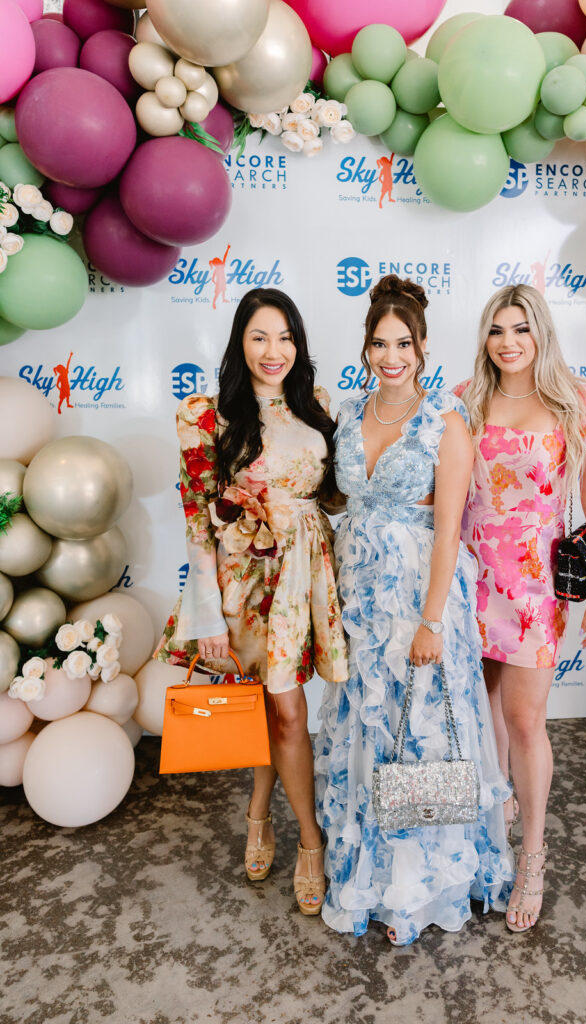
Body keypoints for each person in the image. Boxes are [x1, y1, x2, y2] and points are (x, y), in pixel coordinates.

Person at [315, 275, 512, 946]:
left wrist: (431, 622)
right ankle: (366, 878)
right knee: (364, 732)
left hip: (417, 600)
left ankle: (420, 886)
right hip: (357, 598)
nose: (390, 356)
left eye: (403, 343)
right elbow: (332, 502)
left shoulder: (443, 422)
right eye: (379, 343)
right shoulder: (345, 414)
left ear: (423, 347)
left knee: (418, 732)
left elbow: (449, 531)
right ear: (366, 348)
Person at [155, 288, 348, 915]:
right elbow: (197, 525)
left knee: (284, 710)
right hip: (244, 583)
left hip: (305, 577)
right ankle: (309, 842)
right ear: (240, 341)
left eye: (286, 337)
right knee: (278, 711)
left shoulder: (317, 407)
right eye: (261, 336)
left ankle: (261, 813)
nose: (275, 351)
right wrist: (206, 615)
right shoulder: (204, 416)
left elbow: (335, 496)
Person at [455, 284, 586, 934]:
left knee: (524, 721)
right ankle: (492, 827)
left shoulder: (577, 403)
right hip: (471, 580)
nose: (508, 341)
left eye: (520, 329)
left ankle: (532, 857)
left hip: (531, 587)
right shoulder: (467, 399)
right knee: (479, 713)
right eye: (497, 329)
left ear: (540, 334)